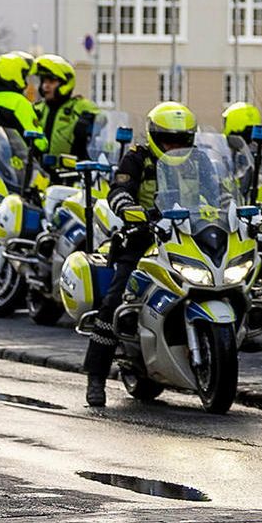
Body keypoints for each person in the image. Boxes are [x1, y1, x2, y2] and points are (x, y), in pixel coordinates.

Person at [84, 101, 197, 407]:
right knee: (116, 299)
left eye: (181, 140)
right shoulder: (137, 158)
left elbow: (222, 191)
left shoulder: (199, 162)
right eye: (167, 140)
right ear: (154, 137)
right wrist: (130, 209)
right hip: (143, 238)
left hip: (187, 238)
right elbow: (118, 190)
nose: (174, 146)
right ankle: (96, 376)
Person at [34, 54, 97, 161]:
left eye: (51, 81)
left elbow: (104, 121)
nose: (45, 86)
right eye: (43, 81)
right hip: (38, 173)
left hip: (72, 173)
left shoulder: (81, 106)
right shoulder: (37, 108)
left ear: (65, 83)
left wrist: (90, 122)